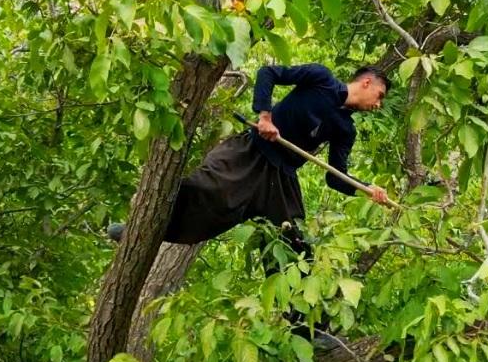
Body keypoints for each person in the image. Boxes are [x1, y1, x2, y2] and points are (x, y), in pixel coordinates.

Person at [107, 63, 391, 250]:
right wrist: (265, 116)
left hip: (281, 180)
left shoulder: (345, 129)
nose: (378, 105)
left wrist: (366, 190)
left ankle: (309, 333)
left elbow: (335, 177)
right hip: (250, 152)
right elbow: (268, 73)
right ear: (366, 82)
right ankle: (137, 229)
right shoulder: (321, 78)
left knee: (294, 248)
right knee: (203, 188)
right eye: (379, 96)